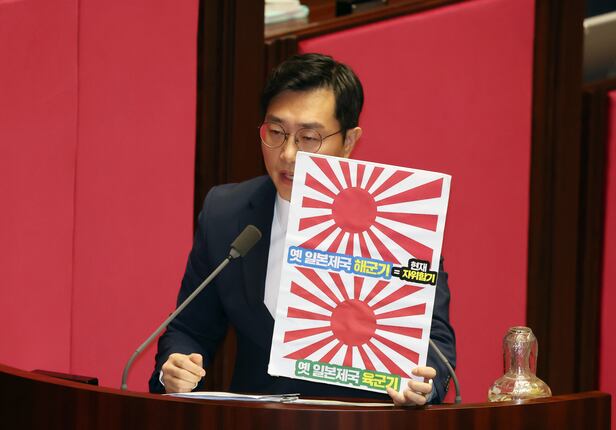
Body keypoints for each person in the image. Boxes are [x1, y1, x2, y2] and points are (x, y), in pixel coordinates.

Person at [149, 53, 456, 405]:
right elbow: (189, 328)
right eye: (276, 133)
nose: (288, 154)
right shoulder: (226, 214)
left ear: (349, 142)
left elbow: (435, 342)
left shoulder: (397, 224)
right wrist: (175, 367)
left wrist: (423, 384)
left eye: (308, 137)